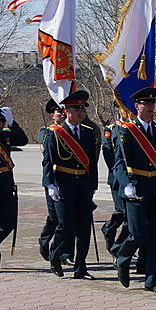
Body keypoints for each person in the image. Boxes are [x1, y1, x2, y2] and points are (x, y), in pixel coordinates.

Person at [113, 87, 156, 293]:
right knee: (138, 234)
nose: (149, 108)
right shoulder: (127, 131)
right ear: (136, 106)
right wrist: (126, 185)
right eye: (145, 104)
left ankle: (152, 279)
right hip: (136, 188)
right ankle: (123, 257)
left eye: (152, 104)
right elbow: (119, 164)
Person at [42, 90, 98, 279]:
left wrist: (93, 187)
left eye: (83, 108)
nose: (81, 112)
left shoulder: (89, 133)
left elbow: (92, 163)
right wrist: (50, 184)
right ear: (66, 111)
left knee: (84, 228)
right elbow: (48, 161)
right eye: (77, 108)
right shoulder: (55, 133)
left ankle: (80, 267)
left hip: (82, 184)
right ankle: (55, 257)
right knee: (65, 226)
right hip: (62, 184)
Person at [38, 99, 75, 266]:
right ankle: (44, 241)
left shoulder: (74, 132)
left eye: (63, 111)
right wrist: (49, 183)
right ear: (52, 115)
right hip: (54, 180)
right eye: (58, 112)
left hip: (71, 180)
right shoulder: (47, 132)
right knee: (56, 218)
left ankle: (66, 254)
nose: (62, 114)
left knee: (68, 218)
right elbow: (47, 157)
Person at [0, 107, 28, 273]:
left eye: (2, 121)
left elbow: (22, 140)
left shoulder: (6, 135)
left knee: (8, 224)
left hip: (6, 185)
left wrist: (12, 123)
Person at [100, 104, 130, 263]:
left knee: (131, 217)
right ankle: (109, 230)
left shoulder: (134, 128)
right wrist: (119, 173)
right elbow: (107, 153)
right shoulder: (111, 129)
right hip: (118, 178)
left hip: (135, 178)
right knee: (123, 212)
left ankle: (121, 246)